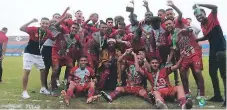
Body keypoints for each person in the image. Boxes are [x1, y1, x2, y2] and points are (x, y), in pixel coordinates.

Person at [194, 3, 226, 107]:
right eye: (197, 17)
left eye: (200, 15)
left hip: (220, 48)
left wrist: (200, 4)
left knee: (224, 75)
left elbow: (215, 7)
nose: (199, 17)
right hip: (212, 50)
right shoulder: (202, 26)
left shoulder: (212, 17)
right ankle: (218, 96)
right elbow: (207, 37)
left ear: (204, 14)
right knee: (212, 73)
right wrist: (196, 39)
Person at [20, 18, 56, 99]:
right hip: (28, 53)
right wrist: (31, 21)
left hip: (38, 54)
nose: (45, 25)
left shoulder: (48, 33)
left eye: (47, 24)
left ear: (48, 25)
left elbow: (54, 38)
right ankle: (24, 92)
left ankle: (43, 88)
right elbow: (21, 28)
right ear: (40, 23)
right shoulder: (34, 29)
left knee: (43, 70)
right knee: (27, 70)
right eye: (43, 23)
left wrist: (57, 29)